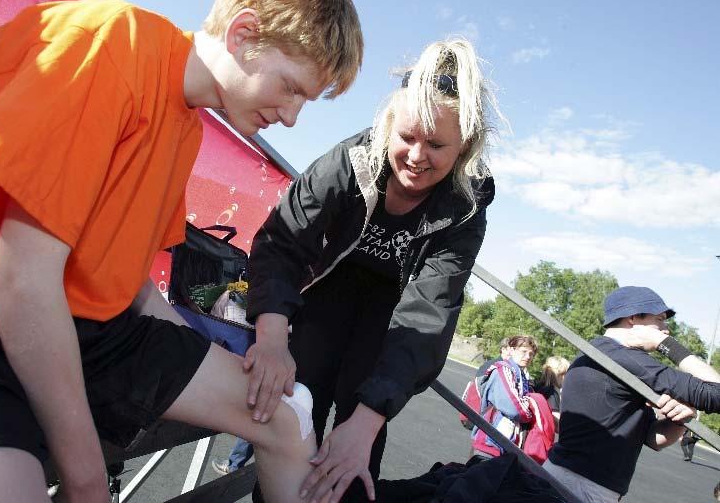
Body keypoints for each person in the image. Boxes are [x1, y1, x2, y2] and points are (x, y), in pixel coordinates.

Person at [0, 0, 363, 502]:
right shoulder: (109, 45)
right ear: (243, 34)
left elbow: (132, 285)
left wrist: (214, 358)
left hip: (85, 324)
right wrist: (86, 473)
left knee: (290, 412)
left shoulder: (186, 124)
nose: (293, 116)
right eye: (292, 88)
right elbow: (19, 279)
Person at [244, 37, 500, 502]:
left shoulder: (466, 205)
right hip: (324, 294)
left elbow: (429, 312)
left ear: (464, 146)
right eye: (407, 136)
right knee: (296, 407)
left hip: (392, 314)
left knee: (358, 442)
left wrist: (366, 421)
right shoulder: (350, 162)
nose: (417, 156)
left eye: (437, 144)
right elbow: (281, 242)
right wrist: (271, 339)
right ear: (388, 124)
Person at [544, 286, 720, 502]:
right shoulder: (623, 358)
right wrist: (666, 345)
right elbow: (717, 393)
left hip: (575, 480)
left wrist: (681, 417)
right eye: (660, 319)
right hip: (583, 488)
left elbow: (653, 439)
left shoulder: (602, 352)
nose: (666, 329)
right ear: (634, 318)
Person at [471, 335, 538, 458]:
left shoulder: (521, 375)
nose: (528, 357)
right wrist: (530, 412)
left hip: (505, 444)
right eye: (524, 351)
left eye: (531, 354)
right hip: (491, 442)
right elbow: (514, 408)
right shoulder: (504, 369)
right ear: (511, 350)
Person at [534, 356, 570, 427]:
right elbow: (556, 422)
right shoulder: (552, 392)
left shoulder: (539, 386)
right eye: (566, 374)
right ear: (561, 374)